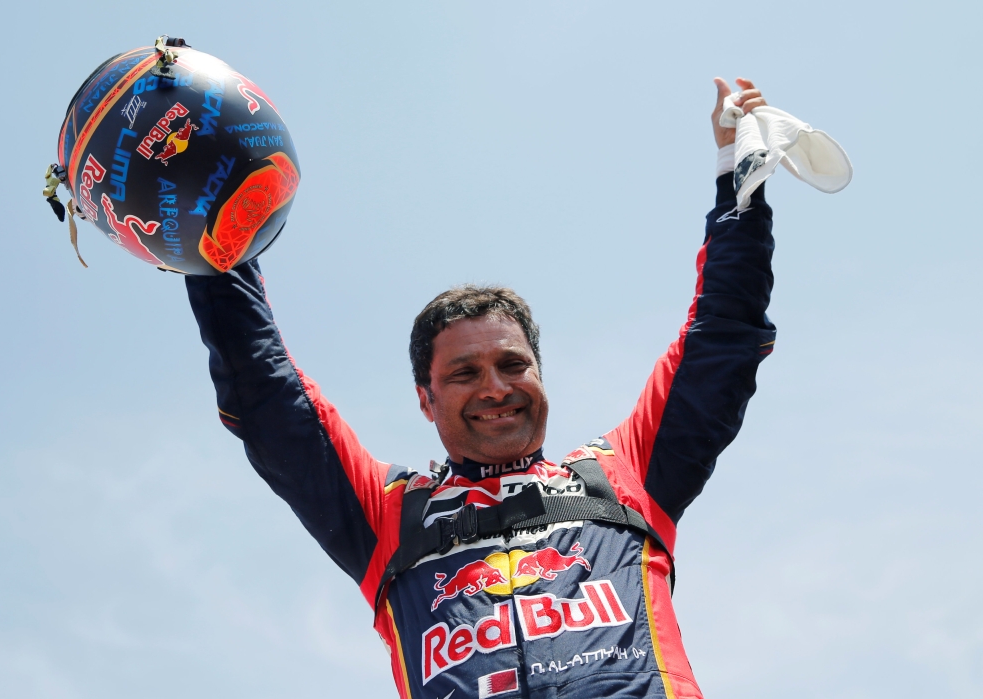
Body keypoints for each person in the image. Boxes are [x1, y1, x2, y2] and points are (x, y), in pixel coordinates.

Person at [186, 78, 774, 699]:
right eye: (464, 374)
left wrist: (739, 174)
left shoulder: (625, 475)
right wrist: (206, 225)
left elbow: (721, 339)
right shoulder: (386, 515)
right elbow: (268, 398)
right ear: (426, 399)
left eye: (513, 365)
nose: (496, 388)